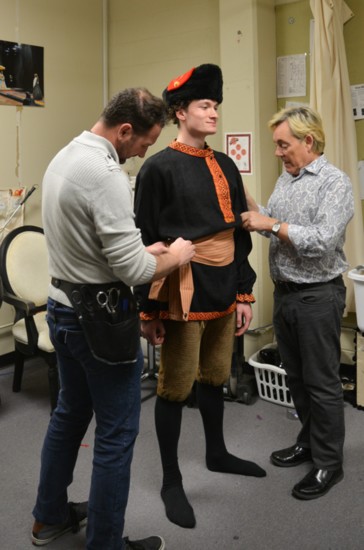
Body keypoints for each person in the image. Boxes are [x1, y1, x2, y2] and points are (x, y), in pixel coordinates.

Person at [32, 87, 195, 550]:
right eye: (145, 142)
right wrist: (176, 255)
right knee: (117, 433)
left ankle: (49, 519)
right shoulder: (106, 174)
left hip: (62, 308)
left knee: (68, 415)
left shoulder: (67, 154)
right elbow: (135, 272)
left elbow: (92, 247)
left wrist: (141, 250)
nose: (145, 152)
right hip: (98, 322)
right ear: (125, 130)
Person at [134, 64, 266, 530]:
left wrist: (245, 291)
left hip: (225, 288)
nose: (213, 113)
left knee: (215, 377)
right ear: (180, 111)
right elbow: (145, 239)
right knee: (175, 386)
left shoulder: (226, 163)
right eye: (205, 106)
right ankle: (171, 480)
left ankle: (216, 452)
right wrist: (148, 309)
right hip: (181, 290)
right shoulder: (158, 168)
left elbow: (238, 235)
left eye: (216, 106)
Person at [241, 106, 354, 500]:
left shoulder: (334, 183)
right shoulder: (285, 180)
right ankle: (308, 443)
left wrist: (269, 224)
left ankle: (329, 464)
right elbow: (273, 221)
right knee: (296, 379)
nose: (277, 152)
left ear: (308, 141)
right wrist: (256, 209)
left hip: (317, 295)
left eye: (283, 144)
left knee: (322, 383)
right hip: (286, 295)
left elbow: (321, 239)